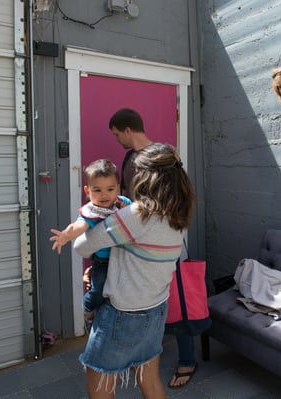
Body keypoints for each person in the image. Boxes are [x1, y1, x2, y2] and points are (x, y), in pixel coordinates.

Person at [72, 143, 196, 399]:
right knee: (150, 381)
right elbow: (140, 257)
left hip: (123, 313)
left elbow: (82, 246)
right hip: (157, 308)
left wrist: (92, 216)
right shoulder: (177, 213)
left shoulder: (137, 214)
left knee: (100, 386)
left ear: (146, 176)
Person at [109, 107, 200, 389]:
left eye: (116, 135)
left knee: (177, 297)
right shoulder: (127, 158)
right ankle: (146, 352)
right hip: (136, 243)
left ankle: (187, 359)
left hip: (165, 240)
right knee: (146, 296)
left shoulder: (164, 154)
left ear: (127, 129)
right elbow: (126, 199)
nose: (117, 141)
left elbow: (178, 195)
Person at [49, 159, 131, 321]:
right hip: (103, 261)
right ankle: (88, 307)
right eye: (97, 190)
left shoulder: (123, 203)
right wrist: (67, 235)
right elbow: (80, 225)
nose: (104, 195)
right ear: (87, 191)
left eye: (110, 189)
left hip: (123, 258)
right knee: (98, 290)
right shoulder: (92, 212)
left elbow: (135, 217)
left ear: (118, 188)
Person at [108, 108, 153, 199]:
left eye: (117, 135)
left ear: (127, 131)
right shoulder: (129, 157)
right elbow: (124, 193)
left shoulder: (161, 157)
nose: (117, 139)